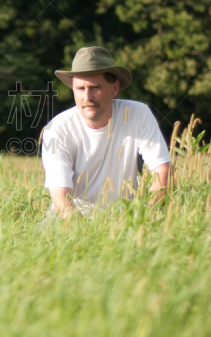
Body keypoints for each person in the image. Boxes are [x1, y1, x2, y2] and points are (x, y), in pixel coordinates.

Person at [41, 46, 171, 218]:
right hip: (72, 219)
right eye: (80, 89)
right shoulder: (57, 129)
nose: (87, 97)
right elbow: (61, 202)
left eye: (95, 87)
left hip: (126, 216)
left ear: (114, 88)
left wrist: (145, 218)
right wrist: (88, 236)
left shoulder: (138, 114)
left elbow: (162, 171)